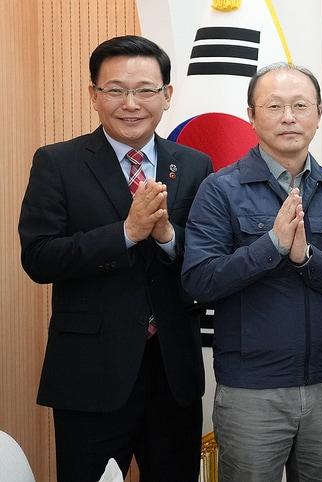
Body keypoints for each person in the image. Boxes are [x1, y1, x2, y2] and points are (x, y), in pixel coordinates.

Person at [18, 35, 211, 482]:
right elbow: (39, 257)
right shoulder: (58, 162)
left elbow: (206, 260)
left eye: (145, 90)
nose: (131, 103)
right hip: (90, 375)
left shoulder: (195, 164)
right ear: (93, 95)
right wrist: (125, 233)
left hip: (172, 374)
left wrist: (167, 237)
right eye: (116, 89)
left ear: (166, 95)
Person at [182, 62, 322, 481]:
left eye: (300, 105)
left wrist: (304, 258)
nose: (288, 117)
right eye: (274, 106)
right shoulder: (220, 189)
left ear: (318, 113)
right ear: (251, 115)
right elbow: (199, 280)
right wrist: (272, 247)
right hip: (251, 392)